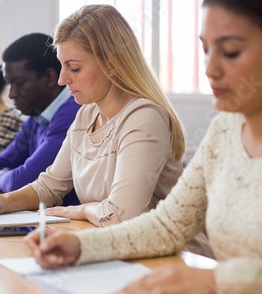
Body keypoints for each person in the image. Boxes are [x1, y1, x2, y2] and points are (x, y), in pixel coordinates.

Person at [25, 1, 262, 293]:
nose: (210, 69)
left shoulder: (144, 115)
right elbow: (169, 225)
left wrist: (217, 281)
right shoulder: (224, 130)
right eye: (206, 50)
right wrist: (81, 244)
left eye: (230, 52)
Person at [0, 5, 186, 229]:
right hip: (112, 244)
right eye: (62, 66)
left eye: (74, 68)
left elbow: (120, 216)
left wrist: (78, 210)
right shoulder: (86, 114)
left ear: (112, 65)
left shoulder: (143, 117)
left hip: (167, 255)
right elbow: (50, 186)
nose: (62, 79)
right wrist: (3, 203)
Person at [0, 33, 81, 207]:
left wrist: (0, 176)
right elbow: (4, 160)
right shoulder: (37, 116)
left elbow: (22, 181)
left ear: (49, 77)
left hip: (70, 223)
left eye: (18, 83)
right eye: (9, 83)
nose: (12, 93)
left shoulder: (72, 113)